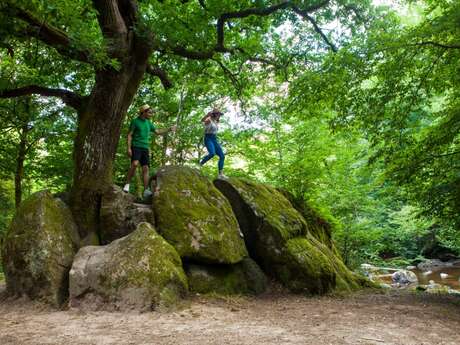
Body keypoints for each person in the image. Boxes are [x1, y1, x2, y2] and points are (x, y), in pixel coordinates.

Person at [123, 104, 176, 197]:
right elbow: (129, 135)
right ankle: (127, 184)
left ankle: (146, 190)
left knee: (146, 168)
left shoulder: (149, 123)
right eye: (150, 112)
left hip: (145, 148)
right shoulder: (135, 122)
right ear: (144, 112)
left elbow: (157, 132)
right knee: (135, 164)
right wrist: (128, 148)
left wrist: (169, 129)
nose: (151, 114)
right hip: (136, 146)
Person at [199, 108, 227, 179]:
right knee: (212, 153)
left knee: (222, 156)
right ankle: (199, 165)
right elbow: (202, 120)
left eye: (220, 114)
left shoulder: (216, 121)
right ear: (214, 114)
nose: (219, 115)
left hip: (214, 139)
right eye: (218, 114)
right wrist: (207, 115)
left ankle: (220, 174)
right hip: (208, 138)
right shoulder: (209, 120)